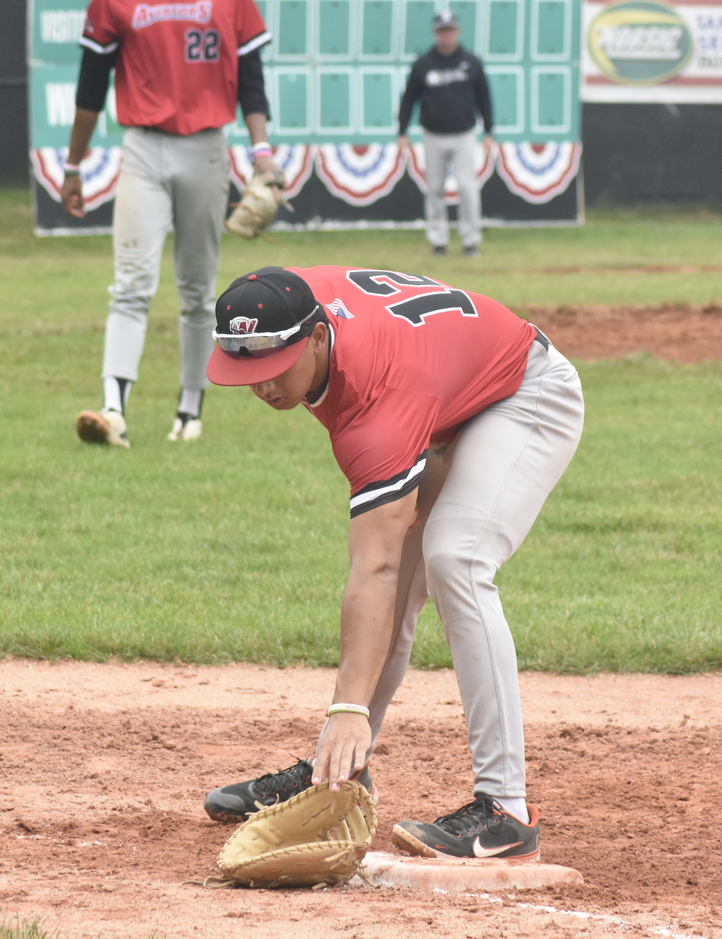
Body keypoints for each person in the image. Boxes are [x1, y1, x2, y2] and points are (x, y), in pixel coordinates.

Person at [199, 266, 584, 861]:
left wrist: (347, 708)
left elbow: (372, 568)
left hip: (520, 392)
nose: (263, 387)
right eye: (247, 372)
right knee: (404, 576)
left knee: (455, 557)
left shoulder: (375, 409)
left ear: (318, 338)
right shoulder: (287, 300)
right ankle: (341, 769)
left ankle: (506, 810)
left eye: (274, 369)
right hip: (443, 398)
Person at [68, 0, 277, 448]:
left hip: (206, 147)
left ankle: (189, 409)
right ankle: (113, 410)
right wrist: (73, 164)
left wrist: (262, 151)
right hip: (143, 146)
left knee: (197, 289)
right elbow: (91, 88)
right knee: (132, 283)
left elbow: (251, 80)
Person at [398, 11, 495, 259]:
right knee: (434, 189)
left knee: (467, 187)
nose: (446, 34)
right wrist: (402, 130)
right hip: (433, 134)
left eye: (450, 29)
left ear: (457, 31)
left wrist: (489, 130)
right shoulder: (423, 64)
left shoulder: (471, 62)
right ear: (435, 32)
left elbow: (484, 97)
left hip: (464, 133)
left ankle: (471, 241)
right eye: (442, 30)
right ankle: (438, 241)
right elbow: (408, 99)